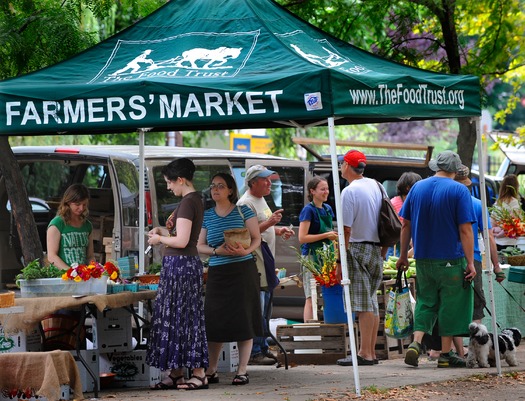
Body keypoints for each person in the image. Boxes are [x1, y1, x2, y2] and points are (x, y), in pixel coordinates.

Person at [396, 150, 476, 368]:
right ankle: (445, 355)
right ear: (455, 169)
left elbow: (405, 224)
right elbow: (465, 230)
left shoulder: (417, 188)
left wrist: (403, 256)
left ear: (436, 166)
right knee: (451, 305)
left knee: (426, 301)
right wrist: (470, 262)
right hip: (451, 259)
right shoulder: (459, 190)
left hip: (422, 259)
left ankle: (416, 343)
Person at [145, 158, 209, 390]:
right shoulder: (193, 200)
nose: (169, 187)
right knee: (178, 318)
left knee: (184, 318)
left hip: (180, 266)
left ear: (180, 180)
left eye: (170, 183)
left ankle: (199, 373)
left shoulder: (187, 202)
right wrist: (163, 231)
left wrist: (159, 239)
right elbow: (184, 234)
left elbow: (182, 240)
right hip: (182, 265)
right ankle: (176, 373)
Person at [198, 172, 263, 386]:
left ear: (230, 190)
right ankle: (212, 369)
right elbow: (200, 245)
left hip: (243, 270)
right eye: (213, 186)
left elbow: (256, 239)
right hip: (218, 272)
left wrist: (246, 252)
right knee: (214, 320)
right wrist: (217, 251)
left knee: (244, 319)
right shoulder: (207, 215)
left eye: (220, 186)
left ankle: (242, 370)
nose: (215, 189)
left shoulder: (243, 210)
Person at [238, 165, 295, 365]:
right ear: (253, 182)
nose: (269, 183)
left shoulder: (260, 200)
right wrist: (270, 223)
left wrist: (278, 230)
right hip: (255, 263)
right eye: (265, 179)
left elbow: (262, 226)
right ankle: (254, 352)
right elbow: (245, 233)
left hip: (266, 259)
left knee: (266, 307)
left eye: (270, 179)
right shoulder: (245, 203)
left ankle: (262, 347)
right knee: (258, 307)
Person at [339, 150, 385, 366]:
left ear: (347, 165)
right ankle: (371, 352)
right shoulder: (377, 185)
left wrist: (340, 261)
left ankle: (365, 353)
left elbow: (345, 230)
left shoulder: (350, 191)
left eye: (342, 163)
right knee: (372, 302)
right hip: (376, 249)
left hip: (357, 248)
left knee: (364, 304)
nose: (340, 166)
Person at [298, 177, 338, 322]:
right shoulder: (308, 210)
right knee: (311, 296)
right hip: (311, 257)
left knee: (325, 295)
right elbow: (302, 237)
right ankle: (309, 331)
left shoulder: (328, 209)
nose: (326, 192)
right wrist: (326, 235)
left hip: (327, 257)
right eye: (322, 189)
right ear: (312, 191)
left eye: (327, 188)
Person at [47, 183, 94, 269]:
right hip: (61, 278)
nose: (81, 208)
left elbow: (90, 256)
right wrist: (70, 272)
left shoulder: (87, 225)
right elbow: (51, 256)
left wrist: (94, 270)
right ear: (68, 202)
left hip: (81, 277)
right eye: (77, 204)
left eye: (84, 204)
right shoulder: (57, 224)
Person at [387, 172, 422, 258]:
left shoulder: (413, 202)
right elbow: (404, 226)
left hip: (408, 241)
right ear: (408, 188)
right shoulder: (396, 203)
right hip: (396, 243)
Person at [491, 174, 522, 250]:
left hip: (496, 243)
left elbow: (492, 225)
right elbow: (512, 226)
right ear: (515, 187)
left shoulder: (497, 203)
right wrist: (500, 233)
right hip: (509, 243)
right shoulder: (514, 203)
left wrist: (496, 232)